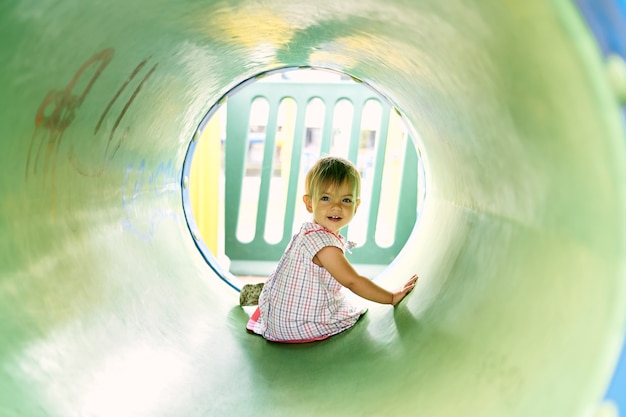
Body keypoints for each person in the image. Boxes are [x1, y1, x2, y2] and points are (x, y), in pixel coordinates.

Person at [243, 155, 418, 343]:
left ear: (356, 206)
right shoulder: (325, 246)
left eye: (346, 200)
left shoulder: (307, 231)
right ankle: (268, 296)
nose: (336, 207)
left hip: (276, 319)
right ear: (309, 203)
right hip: (299, 327)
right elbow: (353, 281)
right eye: (326, 198)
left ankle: (266, 295)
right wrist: (390, 297)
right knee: (344, 304)